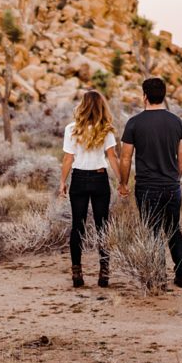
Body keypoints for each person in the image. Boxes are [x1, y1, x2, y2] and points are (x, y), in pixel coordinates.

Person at [119, 77, 182, 288]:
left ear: (144, 96)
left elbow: (125, 158)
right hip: (171, 187)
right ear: (164, 95)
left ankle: (158, 276)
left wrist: (123, 183)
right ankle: (181, 276)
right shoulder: (178, 122)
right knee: (173, 229)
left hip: (146, 187)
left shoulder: (134, 123)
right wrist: (174, 177)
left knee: (152, 230)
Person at [58, 90, 121, 288]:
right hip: (99, 178)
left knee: (78, 225)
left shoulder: (71, 129)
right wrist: (122, 181)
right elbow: (112, 157)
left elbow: (68, 158)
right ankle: (104, 272)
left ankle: (77, 272)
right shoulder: (106, 129)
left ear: (82, 105)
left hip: (78, 178)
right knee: (103, 225)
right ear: (101, 106)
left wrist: (62, 181)